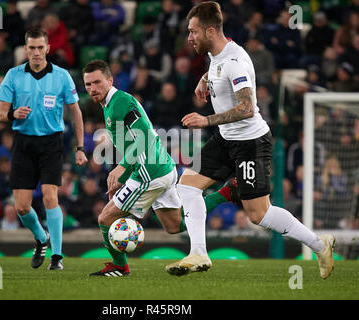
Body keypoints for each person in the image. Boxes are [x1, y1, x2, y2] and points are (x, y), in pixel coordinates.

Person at [166, 2, 335, 279]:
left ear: (210, 30)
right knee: (187, 185)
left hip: (250, 143)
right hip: (225, 139)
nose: (189, 37)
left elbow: (246, 107)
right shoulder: (218, 55)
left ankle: (319, 244)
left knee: (258, 214)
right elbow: (220, 69)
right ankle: (198, 253)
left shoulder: (236, 61)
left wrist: (205, 120)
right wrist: (205, 77)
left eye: (193, 31)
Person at [82, 59, 240, 277]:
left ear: (110, 80)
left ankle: (119, 267)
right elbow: (132, 142)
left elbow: (145, 136)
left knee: (105, 219)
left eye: (97, 82)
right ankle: (226, 192)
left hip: (149, 173)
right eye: (88, 84)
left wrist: (121, 168)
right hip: (162, 168)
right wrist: (123, 175)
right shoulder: (110, 105)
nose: (92, 88)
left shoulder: (122, 102)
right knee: (174, 226)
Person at [0, 28, 88, 270]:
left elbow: (76, 113)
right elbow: (0, 114)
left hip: (51, 143)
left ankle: (57, 256)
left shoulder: (62, 76)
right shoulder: (13, 75)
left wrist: (80, 147)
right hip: (23, 143)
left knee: (50, 196)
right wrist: (13, 113)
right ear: (26, 49)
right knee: (22, 206)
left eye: (40, 47)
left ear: (48, 48)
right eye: (31, 48)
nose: (36, 52)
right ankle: (41, 238)